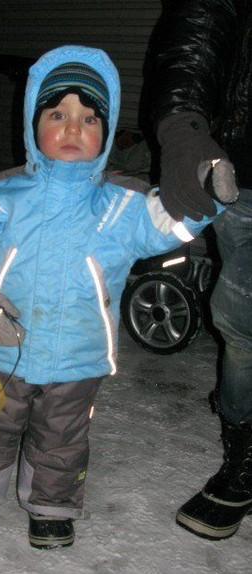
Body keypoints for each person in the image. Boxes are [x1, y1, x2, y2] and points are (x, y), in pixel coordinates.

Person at [0, 44, 223, 551]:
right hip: (0, 349)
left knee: (62, 441)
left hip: (78, 356)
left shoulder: (122, 204)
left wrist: (205, 192)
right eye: (58, 115)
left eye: (89, 119)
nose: (73, 128)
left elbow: (171, 221)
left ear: (106, 133)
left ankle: (51, 508)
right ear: (32, 124)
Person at [148, 0, 252, 541]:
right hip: (247, 175)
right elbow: (201, 22)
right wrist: (183, 126)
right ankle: (246, 458)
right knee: (243, 328)